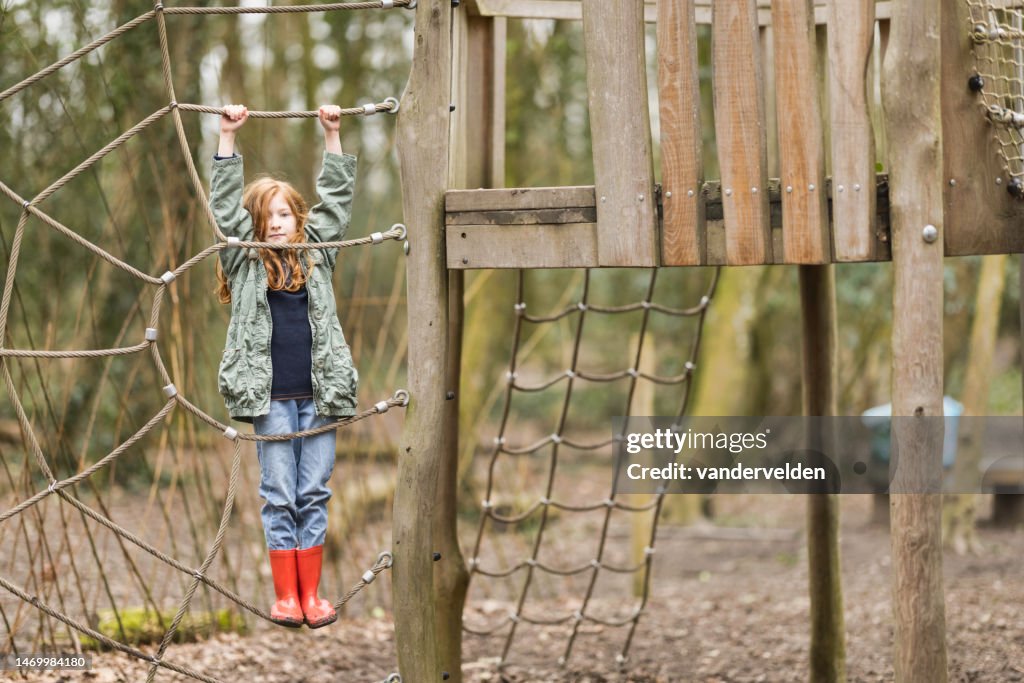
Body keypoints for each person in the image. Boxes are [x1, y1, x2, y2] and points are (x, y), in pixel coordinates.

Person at [211, 103, 358, 629]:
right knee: (279, 494)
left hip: (321, 395)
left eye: (283, 215)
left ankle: (312, 595)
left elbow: (338, 203)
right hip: (270, 398)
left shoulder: (318, 253)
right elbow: (225, 207)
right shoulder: (243, 258)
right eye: (265, 218)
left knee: (314, 490)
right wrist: (227, 136)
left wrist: (332, 133)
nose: (274, 225)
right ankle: (285, 597)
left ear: (298, 218)